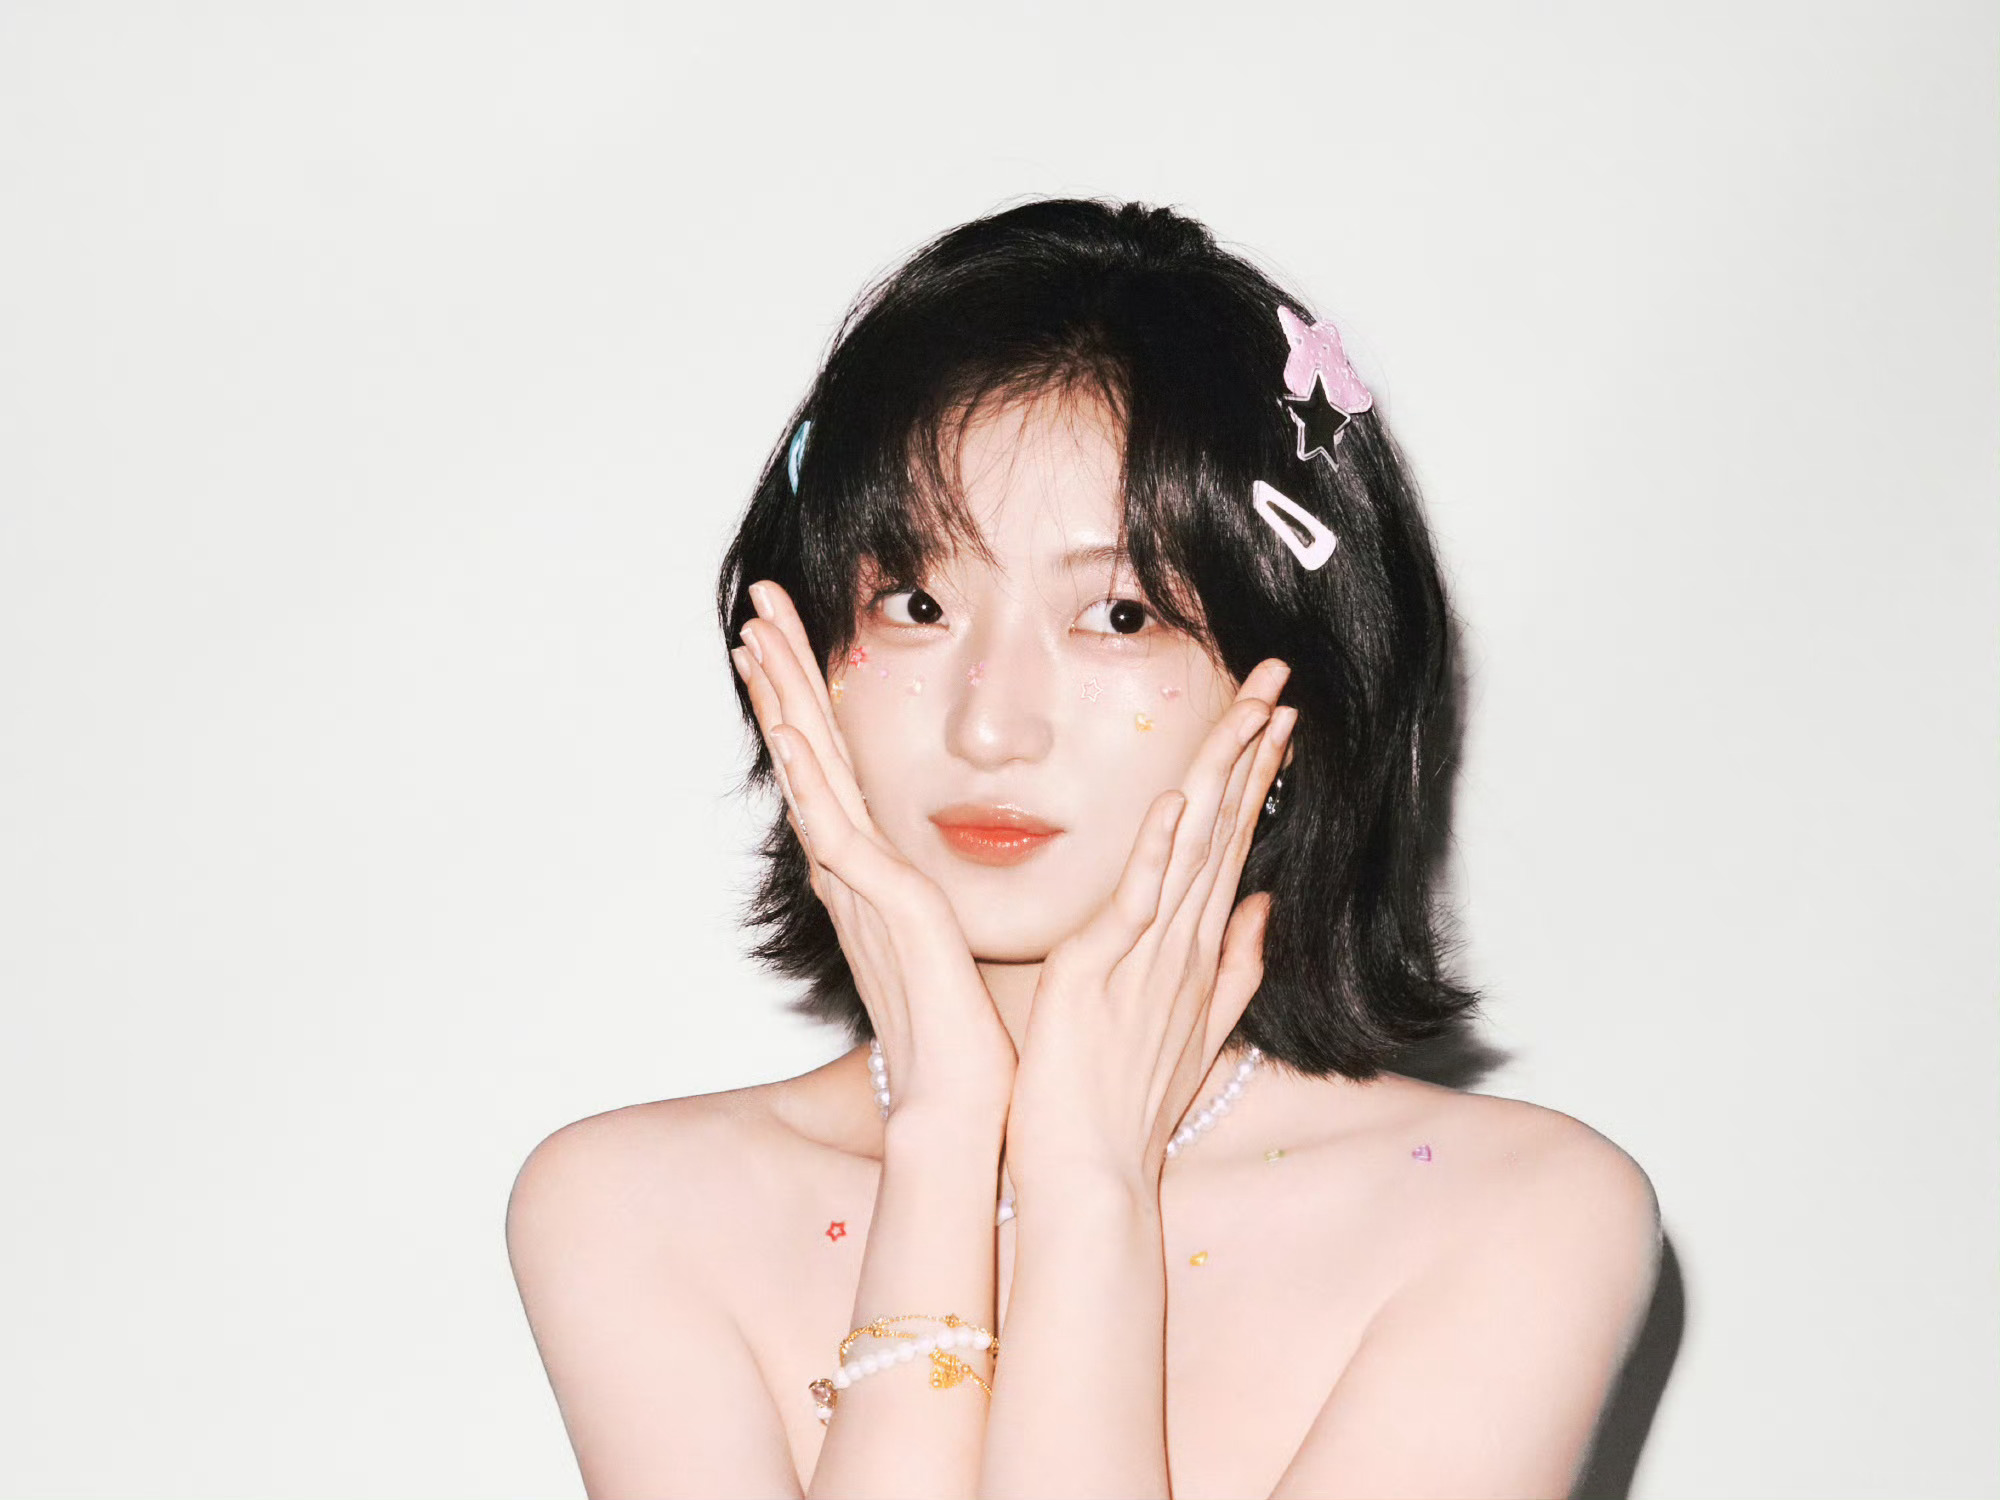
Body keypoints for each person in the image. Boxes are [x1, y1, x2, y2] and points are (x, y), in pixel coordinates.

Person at [505, 197, 1662, 1499]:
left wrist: (1088, 1191)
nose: (991, 724)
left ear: (1296, 685)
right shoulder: (636, 1210)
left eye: (1118, 614)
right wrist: (943, 1142)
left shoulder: (1511, 1219)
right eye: (917, 602)